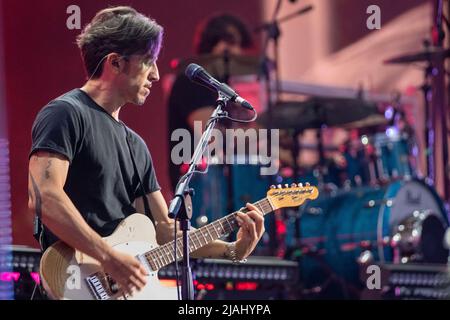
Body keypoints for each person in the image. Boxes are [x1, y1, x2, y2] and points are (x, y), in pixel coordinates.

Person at [27, 6, 264, 298]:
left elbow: (165, 232)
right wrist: (108, 257)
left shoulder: (136, 145)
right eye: (148, 61)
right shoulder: (65, 113)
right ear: (115, 63)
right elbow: (45, 198)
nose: (155, 74)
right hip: (74, 282)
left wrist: (231, 249)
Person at [167, 13, 255, 191]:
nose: (237, 52)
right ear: (211, 43)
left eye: (239, 45)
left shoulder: (224, 90)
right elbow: (214, 137)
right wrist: (262, 133)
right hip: (198, 186)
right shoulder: (190, 82)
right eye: (230, 43)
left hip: (222, 182)